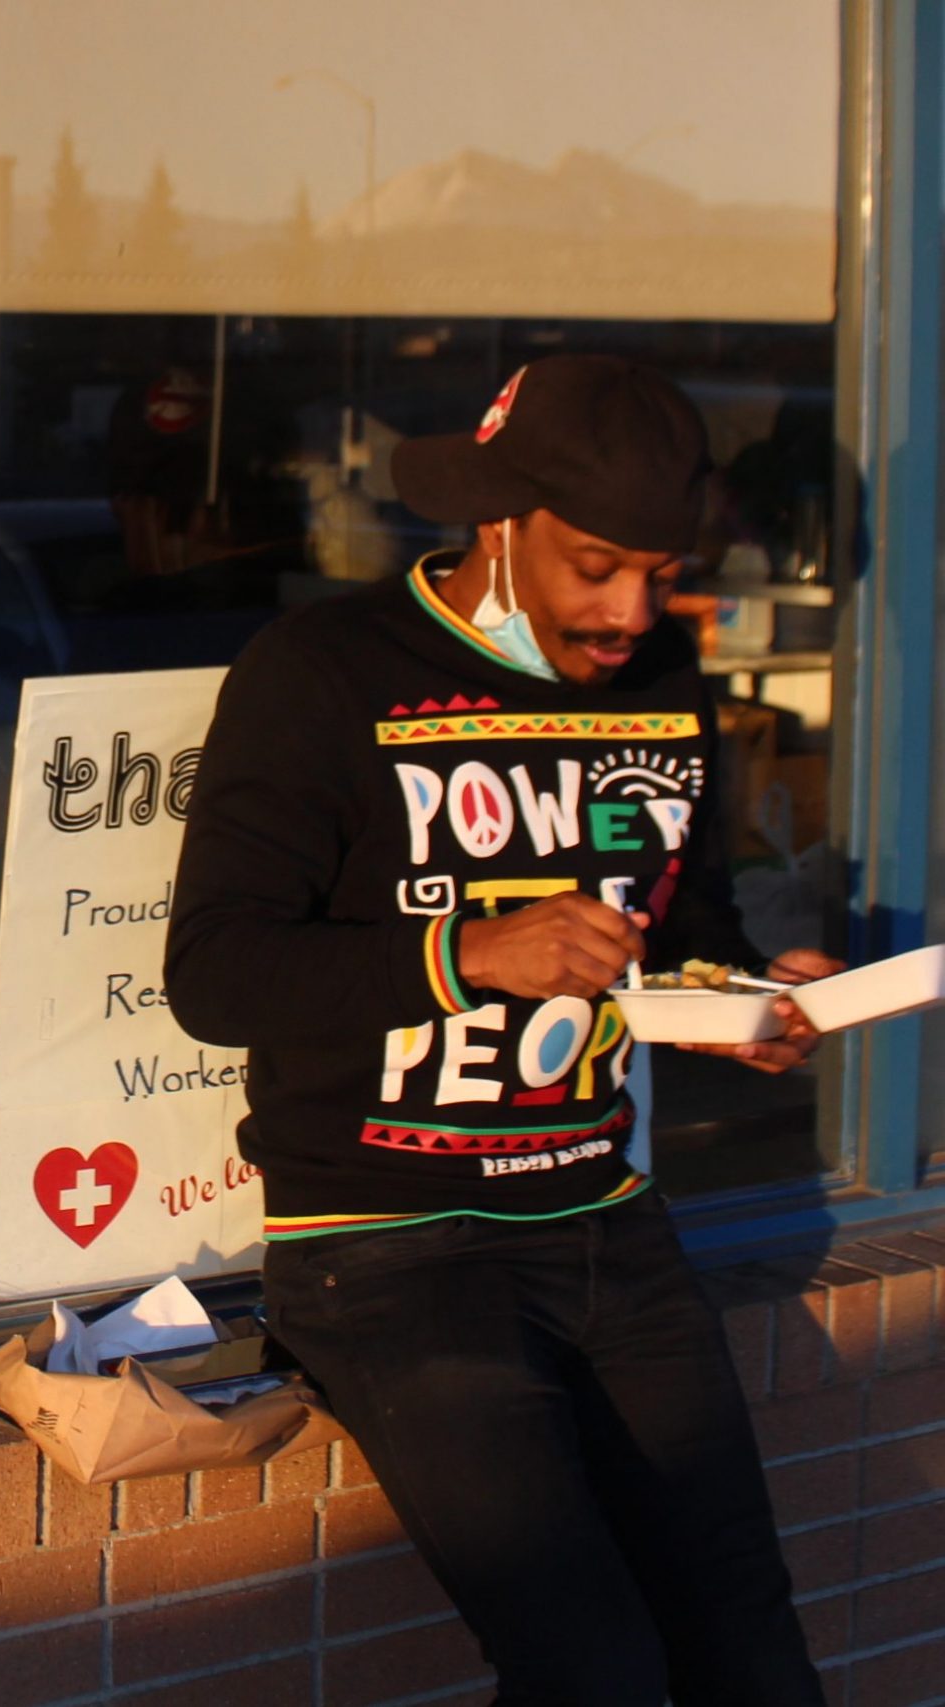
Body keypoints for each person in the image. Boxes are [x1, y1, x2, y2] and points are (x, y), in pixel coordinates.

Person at [163, 354, 838, 1707]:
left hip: (605, 1215)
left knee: (752, 1654)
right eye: (596, 566)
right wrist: (470, 953)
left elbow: (675, 912)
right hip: (387, 1246)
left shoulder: (662, 677)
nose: (629, 609)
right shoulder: (324, 672)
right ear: (498, 521)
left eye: (660, 571)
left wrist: (743, 992)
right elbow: (216, 973)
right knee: (593, 1669)